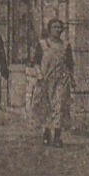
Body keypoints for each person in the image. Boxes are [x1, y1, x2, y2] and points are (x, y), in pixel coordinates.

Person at [30, 18, 74, 147]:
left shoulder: (66, 45)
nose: (57, 30)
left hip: (61, 80)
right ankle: (46, 133)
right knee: (46, 107)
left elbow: (70, 64)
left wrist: (72, 79)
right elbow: (36, 62)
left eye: (59, 27)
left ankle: (57, 137)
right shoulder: (43, 44)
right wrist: (39, 75)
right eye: (55, 27)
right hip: (45, 80)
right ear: (49, 29)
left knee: (59, 106)